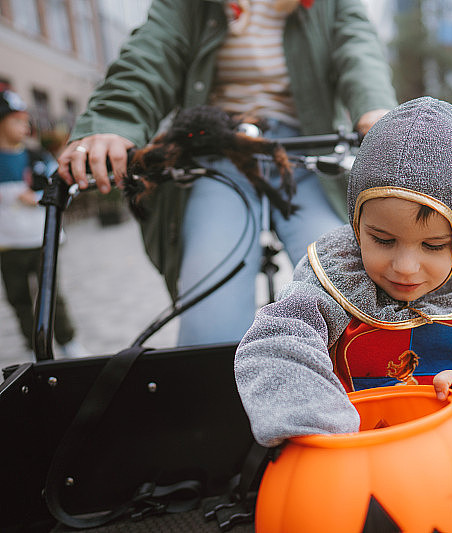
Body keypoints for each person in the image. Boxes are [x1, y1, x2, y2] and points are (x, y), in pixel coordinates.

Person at [234, 97, 452, 467]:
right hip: (351, 461)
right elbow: (277, 341)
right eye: (382, 240)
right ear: (358, 226)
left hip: (449, 462)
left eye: (433, 245)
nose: (405, 267)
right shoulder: (335, 279)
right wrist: (323, 431)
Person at [57, 0, 397, 346]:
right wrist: (113, 121)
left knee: (349, 285)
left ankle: (372, 384)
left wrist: (374, 109)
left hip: (306, 152)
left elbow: (358, 49)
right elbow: (151, 56)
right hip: (218, 151)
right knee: (210, 310)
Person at [0, 88, 85, 358]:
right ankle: (32, 345)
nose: (24, 126)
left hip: (40, 239)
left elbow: (62, 190)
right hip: (7, 244)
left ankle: (67, 340)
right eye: (16, 120)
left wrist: (36, 197)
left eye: (25, 120)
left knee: (50, 294)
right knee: (18, 298)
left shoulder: (37, 157)